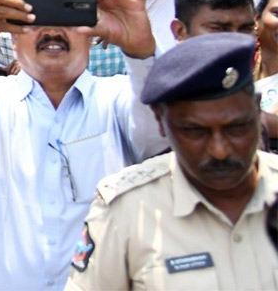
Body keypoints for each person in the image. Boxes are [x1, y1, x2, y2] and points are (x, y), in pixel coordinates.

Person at [0, 0, 165, 290]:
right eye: (37, 15)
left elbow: (160, 130)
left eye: (67, 12)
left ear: (91, 31)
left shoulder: (119, 97)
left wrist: (141, 50)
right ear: (12, 34)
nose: (53, 30)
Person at [66, 33, 278, 289]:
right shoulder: (127, 210)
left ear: (257, 110)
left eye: (237, 128)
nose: (220, 150)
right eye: (195, 132)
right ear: (160, 121)